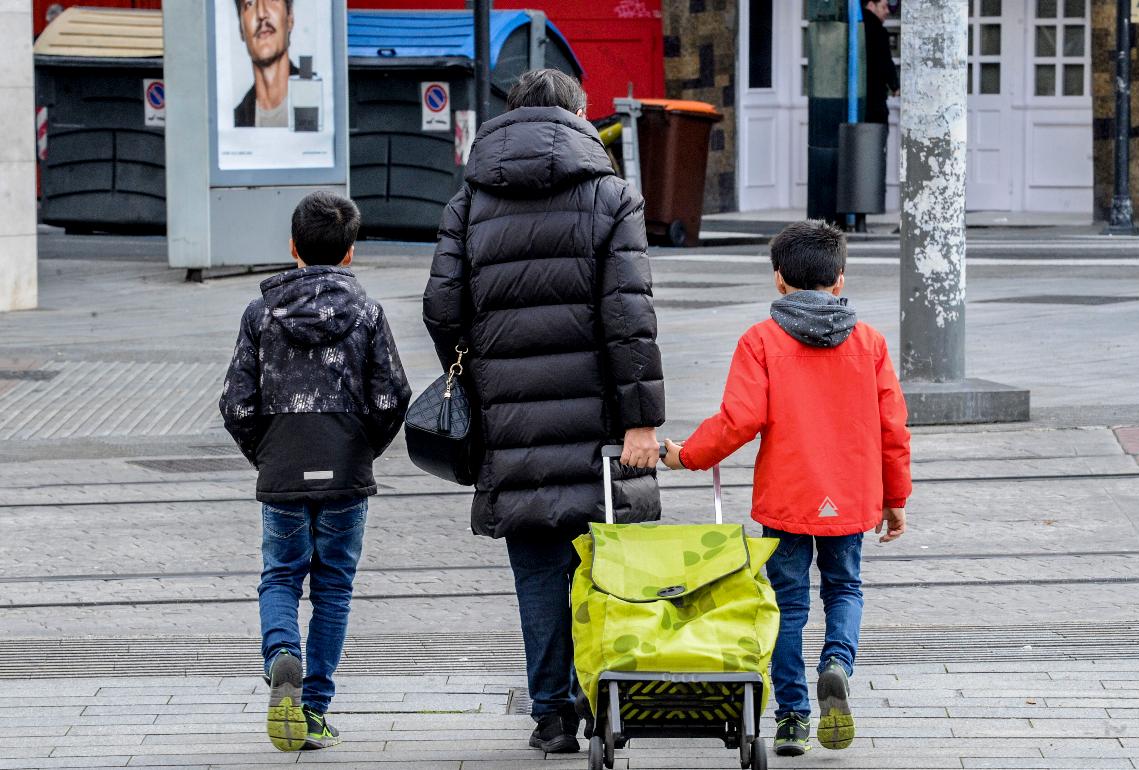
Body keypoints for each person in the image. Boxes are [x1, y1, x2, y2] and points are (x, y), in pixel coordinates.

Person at [423, 68, 664, 754]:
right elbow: (630, 321)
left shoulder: (468, 201)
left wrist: (476, 366)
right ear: (581, 114)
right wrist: (641, 418)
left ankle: (551, 714)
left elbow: (441, 309)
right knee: (602, 563)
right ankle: (602, 699)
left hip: (511, 420)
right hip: (595, 424)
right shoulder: (613, 195)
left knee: (535, 570)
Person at [661, 220, 911, 757]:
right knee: (845, 587)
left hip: (787, 498)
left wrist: (687, 455)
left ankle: (793, 718)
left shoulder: (762, 340)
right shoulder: (869, 343)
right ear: (839, 279)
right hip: (852, 496)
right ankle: (837, 665)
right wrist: (895, 498)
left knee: (786, 605)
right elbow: (893, 427)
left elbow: (739, 419)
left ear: (779, 280)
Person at [220, 191, 411, 752]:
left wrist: (267, 451)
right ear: (350, 253)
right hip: (346, 468)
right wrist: (362, 447)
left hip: (282, 463)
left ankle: (282, 654)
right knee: (334, 588)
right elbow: (392, 395)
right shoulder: (369, 313)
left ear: (292, 248)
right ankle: (314, 710)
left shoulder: (260, 314)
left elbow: (236, 403)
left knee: (281, 575)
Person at [233, 0, 295, 127]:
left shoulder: (319, 99)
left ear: (290, 18)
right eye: (249, 4)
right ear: (241, 29)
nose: (261, 13)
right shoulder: (237, 121)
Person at [862, 0, 900, 127]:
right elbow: (885, 62)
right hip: (875, 102)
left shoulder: (854, 28)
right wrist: (895, 85)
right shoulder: (878, 31)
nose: (887, 11)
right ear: (871, 5)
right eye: (883, 7)